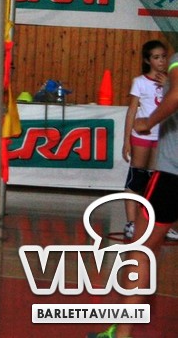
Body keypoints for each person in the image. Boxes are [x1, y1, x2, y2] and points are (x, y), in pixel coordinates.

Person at [87, 49, 178, 338]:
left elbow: (176, 96)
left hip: (173, 174)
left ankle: (122, 332)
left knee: (141, 249)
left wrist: (147, 122)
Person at [120, 39, 178, 241]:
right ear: (147, 60)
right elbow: (132, 112)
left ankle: (158, 222)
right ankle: (131, 222)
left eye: (163, 57)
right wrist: (127, 140)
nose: (161, 61)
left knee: (156, 183)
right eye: (156, 57)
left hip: (162, 138)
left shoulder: (171, 80)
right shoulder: (140, 82)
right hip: (143, 136)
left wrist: (168, 84)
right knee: (137, 178)